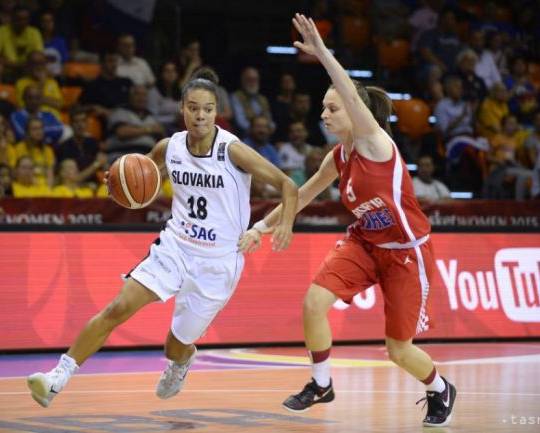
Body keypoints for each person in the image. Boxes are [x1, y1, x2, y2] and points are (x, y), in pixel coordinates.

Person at [26, 67, 298, 408]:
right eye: (194, 107)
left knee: (175, 345)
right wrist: (119, 187)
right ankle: (56, 378)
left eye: (209, 109)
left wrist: (283, 223)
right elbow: (140, 177)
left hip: (217, 263)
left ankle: (181, 362)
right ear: (181, 108)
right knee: (118, 307)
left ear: (217, 112)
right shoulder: (170, 147)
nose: (201, 115)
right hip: (175, 247)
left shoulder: (232, 151)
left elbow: (288, 186)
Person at [242, 14, 457, 428]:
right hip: (364, 244)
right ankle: (321, 384)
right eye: (323, 107)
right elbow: (301, 196)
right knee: (313, 303)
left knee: (398, 350)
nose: (324, 113)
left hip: (405, 254)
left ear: (353, 111)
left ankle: (439, 388)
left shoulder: (376, 143)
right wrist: (260, 228)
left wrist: (322, 53)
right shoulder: (337, 156)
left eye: (332, 107)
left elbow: (350, 96)